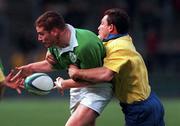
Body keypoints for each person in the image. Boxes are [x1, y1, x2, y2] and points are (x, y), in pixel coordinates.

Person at [58, 8, 165, 126]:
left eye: (102, 24)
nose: (99, 27)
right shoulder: (116, 40)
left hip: (141, 109)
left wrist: (75, 73)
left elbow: (106, 75)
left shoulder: (120, 46)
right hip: (143, 105)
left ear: (111, 28)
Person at [10, 11, 113, 126]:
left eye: (42, 34)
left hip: (97, 88)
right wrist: (30, 68)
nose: (39, 38)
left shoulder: (85, 46)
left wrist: (64, 83)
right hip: (78, 88)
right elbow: (53, 64)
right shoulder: (55, 42)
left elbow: (95, 78)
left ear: (54, 31)